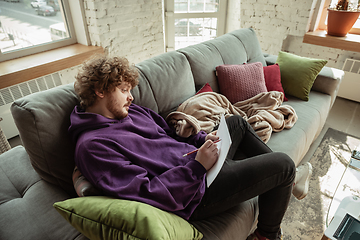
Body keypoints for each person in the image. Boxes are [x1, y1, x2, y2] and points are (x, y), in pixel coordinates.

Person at [69, 55, 298, 240]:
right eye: (124, 90)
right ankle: (266, 234)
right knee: (284, 165)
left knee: (235, 122)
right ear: (100, 91)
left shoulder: (132, 112)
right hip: (191, 194)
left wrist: (203, 140)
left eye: (130, 90)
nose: (130, 97)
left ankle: (285, 183)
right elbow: (144, 192)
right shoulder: (92, 147)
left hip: (199, 163)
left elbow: (171, 134)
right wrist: (197, 167)